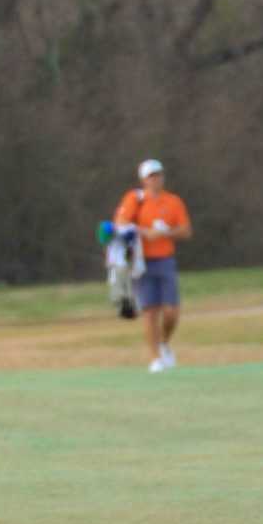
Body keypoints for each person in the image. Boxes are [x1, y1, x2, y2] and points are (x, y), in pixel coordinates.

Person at [113, 156, 192, 372]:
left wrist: (166, 231)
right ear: (144, 180)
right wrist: (145, 232)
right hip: (141, 261)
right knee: (150, 311)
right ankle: (155, 358)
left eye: (158, 175)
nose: (155, 180)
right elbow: (120, 223)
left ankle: (164, 343)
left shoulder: (173, 201)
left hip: (165, 259)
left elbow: (185, 230)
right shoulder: (134, 199)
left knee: (171, 312)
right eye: (151, 176)